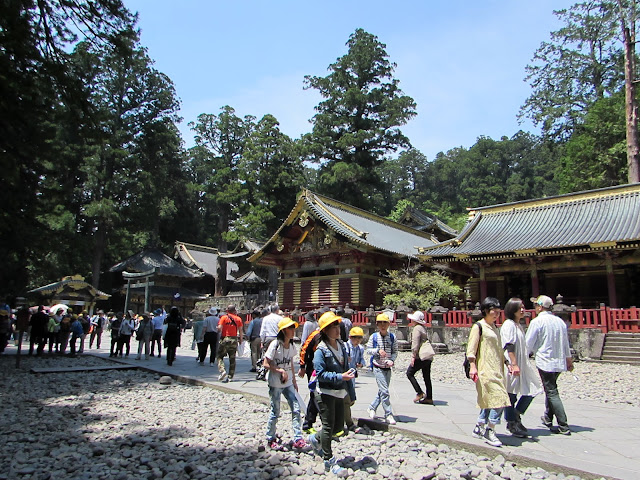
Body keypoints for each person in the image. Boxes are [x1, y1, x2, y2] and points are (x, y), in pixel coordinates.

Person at [307, 311, 355, 475]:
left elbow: (345, 367)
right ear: (325, 330)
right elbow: (319, 374)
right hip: (326, 392)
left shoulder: (341, 345)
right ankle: (328, 460)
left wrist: (351, 392)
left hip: (340, 391)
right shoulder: (321, 350)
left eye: (337, 325)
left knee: (338, 427)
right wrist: (340, 376)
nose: (337, 328)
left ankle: (316, 439)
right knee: (328, 427)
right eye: (333, 326)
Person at [526, 295, 574, 435]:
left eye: (536, 305)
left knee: (552, 391)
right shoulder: (559, 322)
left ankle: (563, 424)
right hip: (558, 361)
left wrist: (523, 356)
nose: (535, 308)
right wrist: (568, 359)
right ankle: (548, 417)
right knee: (551, 388)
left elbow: (529, 342)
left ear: (540, 307)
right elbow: (566, 343)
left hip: (545, 361)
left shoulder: (537, 322)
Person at [467, 297, 511, 447]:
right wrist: (472, 366)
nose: (497, 313)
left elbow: (499, 348)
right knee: (500, 398)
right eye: (493, 310)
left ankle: (479, 426)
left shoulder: (495, 328)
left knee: (489, 399)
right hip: (484, 368)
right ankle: (490, 429)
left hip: (497, 368)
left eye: (498, 310)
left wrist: (507, 363)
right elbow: (471, 348)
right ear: (486, 310)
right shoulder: (478, 327)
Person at [263, 317, 308, 451]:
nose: (293, 331)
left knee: (296, 409)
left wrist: (294, 380)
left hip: (288, 383)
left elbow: (290, 362)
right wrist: (279, 370)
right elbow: (266, 363)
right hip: (275, 383)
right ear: (283, 331)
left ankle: (298, 438)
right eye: (290, 328)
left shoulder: (292, 345)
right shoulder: (275, 344)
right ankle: (270, 437)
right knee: (275, 410)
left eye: (293, 328)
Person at [501, 298, 543, 437]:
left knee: (533, 388)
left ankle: (517, 414)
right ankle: (511, 422)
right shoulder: (509, 325)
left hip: (522, 363)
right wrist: (513, 363)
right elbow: (509, 345)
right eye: (520, 308)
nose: (523, 310)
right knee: (511, 393)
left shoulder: (518, 325)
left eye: (523, 307)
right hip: (513, 363)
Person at [366, 313, 398, 424]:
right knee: (385, 391)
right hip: (377, 366)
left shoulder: (392, 337)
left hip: (387, 367)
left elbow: (395, 352)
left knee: (382, 391)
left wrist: (392, 360)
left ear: (389, 324)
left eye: (385, 323)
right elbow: (368, 349)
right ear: (377, 324)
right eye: (380, 323)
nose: (383, 325)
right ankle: (388, 414)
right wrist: (377, 351)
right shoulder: (374, 337)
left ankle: (371, 407)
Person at [406, 310, 434, 405]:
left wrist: (413, 356)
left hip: (421, 356)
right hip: (428, 355)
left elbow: (415, 343)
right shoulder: (423, 328)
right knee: (427, 377)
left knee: (409, 373)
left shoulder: (417, 328)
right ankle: (429, 397)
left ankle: (419, 392)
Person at [344, 326, 365, 433]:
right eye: (355, 338)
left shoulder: (360, 348)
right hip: (344, 377)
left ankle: (345, 418)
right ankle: (348, 422)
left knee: (351, 400)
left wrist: (360, 364)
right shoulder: (345, 346)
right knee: (347, 400)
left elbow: (362, 361)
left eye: (359, 338)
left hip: (352, 377)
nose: (357, 340)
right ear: (350, 337)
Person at [217, 305, 243, 382]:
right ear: (234, 310)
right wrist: (240, 339)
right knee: (232, 358)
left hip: (225, 338)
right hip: (234, 339)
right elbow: (241, 331)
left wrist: (217, 329)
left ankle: (222, 370)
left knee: (219, 356)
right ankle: (230, 376)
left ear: (227, 310)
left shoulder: (224, 318)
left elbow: (220, 328)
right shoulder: (238, 319)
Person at [246, 307, 264, 372]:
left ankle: (254, 366)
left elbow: (248, 332)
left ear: (254, 315)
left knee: (254, 352)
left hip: (254, 338)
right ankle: (259, 365)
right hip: (261, 338)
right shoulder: (262, 321)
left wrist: (247, 337)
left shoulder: (253, 322)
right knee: (259, 352)